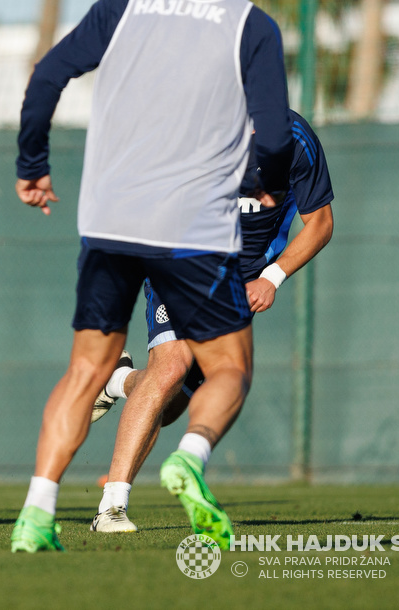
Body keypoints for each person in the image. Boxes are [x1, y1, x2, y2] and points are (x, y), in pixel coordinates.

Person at [9, 0, 291, 552]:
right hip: (194, 230)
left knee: (85, 372)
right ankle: (189, 456)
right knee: (228, 368)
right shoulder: (252, 25)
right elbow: (275, 139)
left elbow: (48, 75)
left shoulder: (124, 1)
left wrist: (32, 163)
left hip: (109, 220)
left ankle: (37, 513)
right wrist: (269, 186)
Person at [87, 109, 333, 532]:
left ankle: (118, 381)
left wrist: (272, 277)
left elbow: (320, 223)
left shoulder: (295, 138)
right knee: (171, 369)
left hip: (239, 284)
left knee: (170, 403)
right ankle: (111, 507)